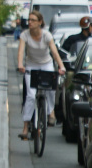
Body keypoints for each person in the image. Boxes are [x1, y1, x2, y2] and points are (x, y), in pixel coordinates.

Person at [16, 9, 66, 141]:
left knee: (50, 90)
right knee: (31, 96)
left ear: (40, 22)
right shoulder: (24, 35)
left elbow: (54, 52)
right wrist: (20, 64)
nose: (29, 22)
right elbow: (21, 51)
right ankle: (25, 127)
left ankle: (51, 113)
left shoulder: (46, 35)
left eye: (33, 20)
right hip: (31, 66)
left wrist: (61, 66)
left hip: (46, 64)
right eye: (29, 20)